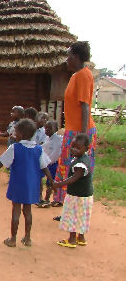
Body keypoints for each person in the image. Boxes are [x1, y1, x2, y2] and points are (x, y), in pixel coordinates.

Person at [0, 119, 53, 247]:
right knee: (27, 211)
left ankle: (13, 239)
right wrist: (52, 181)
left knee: (16, 211)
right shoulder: (38, 149)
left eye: (15, 133)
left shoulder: (15, 148)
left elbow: (1, 163)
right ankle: (27, 238)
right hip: (31, 186)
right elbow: (45, 167)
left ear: (21, 135)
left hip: (17, 184)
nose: (14, 135)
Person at [53, 41, 97, 208]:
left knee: (77, 168)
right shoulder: (75, 76)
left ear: (77, 57)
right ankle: (65, 203)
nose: (67, 59)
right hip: (73, 130)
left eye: (69, 55)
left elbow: (85, 106)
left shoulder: (84, 76)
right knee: (66, 166)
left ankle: (75, 205)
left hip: (80, 131)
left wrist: (83, 136)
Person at [53, 134, 93, 248]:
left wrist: (58, 184)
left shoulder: (80, 164)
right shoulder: (83, 158)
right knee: (81, 216)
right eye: (73, 146)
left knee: (72, 216)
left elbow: (74, 178)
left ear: (86, 148)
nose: (74, 149)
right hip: (85, 195)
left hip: (77, 196)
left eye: (78, 148)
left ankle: (71, 239)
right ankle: (81, 237)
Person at [36, 120, 63, 208]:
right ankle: (40, 198)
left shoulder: (59, 139)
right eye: (46, 128)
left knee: (50, 183)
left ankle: (47, 199)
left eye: (49, 128)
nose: (47, 130)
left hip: (53, 164)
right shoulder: (46, 138)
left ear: (56, 129)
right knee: (39, 178)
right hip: (44, 163)